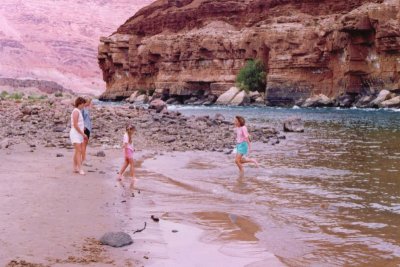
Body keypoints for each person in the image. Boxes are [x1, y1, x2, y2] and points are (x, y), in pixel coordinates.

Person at [69, 97, 87, 175]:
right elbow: (75, 125)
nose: (84, 106)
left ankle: (75, 167)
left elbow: (78, 124)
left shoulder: (78, 111)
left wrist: (83, 128)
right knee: (79, 151)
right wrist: (83, 133)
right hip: (75, 133)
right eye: (83, 104)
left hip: (78, 133)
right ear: (80, 103)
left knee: (77, 151)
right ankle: (80, 169)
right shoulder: (76, 111)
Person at [117, 125, 136, 195]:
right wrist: (123, 148)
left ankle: (119, 175)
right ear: (130, 130)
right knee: (131, 164)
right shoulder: (126, 135)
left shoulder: (128, 135)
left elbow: (129, 144)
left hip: (129, 150)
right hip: (127, 150)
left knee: (126, 163)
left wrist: (133, 148)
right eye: (133, 131)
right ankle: (133, 177)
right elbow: (125, 144)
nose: (134, 132)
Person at [81, 97, 92, 164]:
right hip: (85, 128)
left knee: (85, 144)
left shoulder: (86, 109)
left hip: (88, 127)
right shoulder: (82, 109)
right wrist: (83, 127)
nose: (90, 103)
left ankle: (83, 158)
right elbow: (81, 118)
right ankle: (83, 159)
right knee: (84, 144)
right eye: (89, 102)